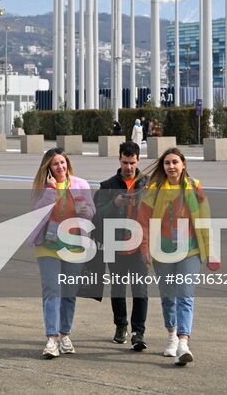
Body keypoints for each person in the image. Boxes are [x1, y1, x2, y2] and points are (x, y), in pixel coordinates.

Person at [141, 147, 219, 366]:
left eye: (175, 162)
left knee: (185, 294)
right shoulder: (154, 189)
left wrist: (210, 250)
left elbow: (205, 219)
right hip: (162, 251)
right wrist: (145, 247)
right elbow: (143, 220)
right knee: (168, 296)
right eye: (167, 163)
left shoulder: (195, 187)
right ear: (163, 166)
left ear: (183, 164)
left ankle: (183, 342)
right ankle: (172, 335)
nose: (171, 166)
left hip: (190, 251)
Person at [29, 147, 95, 359]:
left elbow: (91, 211)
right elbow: (37, 213)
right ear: (48, 168)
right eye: (55, 164)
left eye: (62, 162)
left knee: (69, 293)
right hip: (48, 246)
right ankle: (51, 338)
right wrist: (51, 190)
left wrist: (86, 211)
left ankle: (65, 335)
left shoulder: (81, 184)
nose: (60, 167)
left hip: (74, 245)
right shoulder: (42, 188)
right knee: (52, 290)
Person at [93, 140, 150, 351]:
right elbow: (96, 216)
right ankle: (121, 325)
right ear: (119, 159)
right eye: (125, 162)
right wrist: (113, 204)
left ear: (138, 160)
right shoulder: (107, 186)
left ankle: (138, 332)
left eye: (132, 163)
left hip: (140, 245)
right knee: (118, 287)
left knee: (140, 289)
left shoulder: (148, 184)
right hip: (115, 244)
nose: (128, 167)